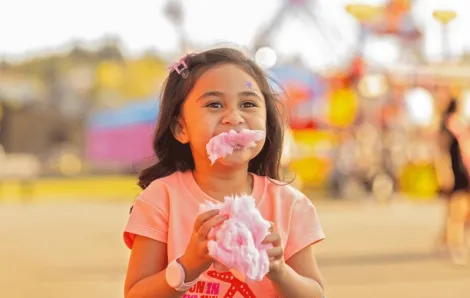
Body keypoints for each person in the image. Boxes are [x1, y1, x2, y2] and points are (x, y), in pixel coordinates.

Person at [123, 48, 326, 298]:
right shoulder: (161, 199)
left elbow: (315, 294)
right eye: (214, 104)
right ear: (180, 128)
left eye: (248, 104)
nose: (234, 117)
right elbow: (135, 294)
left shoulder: (289, 204)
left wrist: (279, 270)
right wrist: (188, 266)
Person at [436, 98, 469, 265]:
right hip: (456, 174)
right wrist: (444, 173)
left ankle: (447, 242)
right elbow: (442, 153)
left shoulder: (459, 127)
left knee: (459, 213)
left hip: (463, 173)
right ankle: (454, 245)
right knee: (456, 213)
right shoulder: (449, 128)